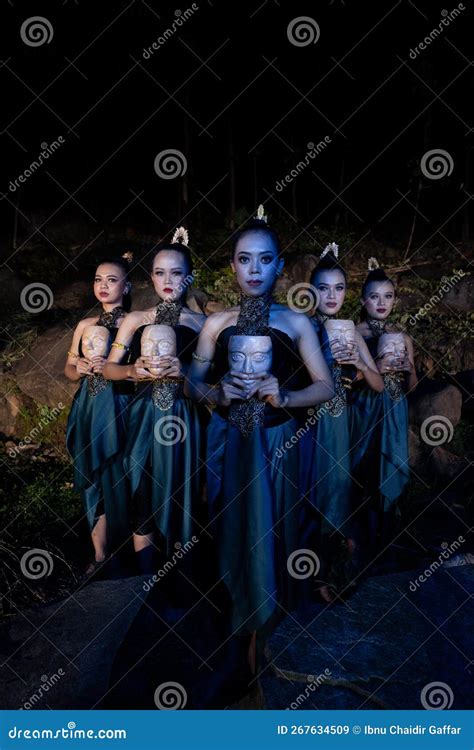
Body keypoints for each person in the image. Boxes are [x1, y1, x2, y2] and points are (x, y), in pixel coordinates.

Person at [185, 207, 334, 671]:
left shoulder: (296, 323)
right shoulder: (215, 323)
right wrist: (212, 390)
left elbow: (327, 386)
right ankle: (240, 621)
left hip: (278, 443)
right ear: (232, 265)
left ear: (279, 266)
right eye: (244, 259)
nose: (254, 270)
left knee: (275, 530)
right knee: (233, 530)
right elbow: (189, 379)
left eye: (264, 260)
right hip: (230, 442)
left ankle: (268, 631)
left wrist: (286, 397)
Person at [103, 228, 206, 574]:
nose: (167, 280)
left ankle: (180, 579)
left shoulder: (204, 324)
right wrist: (133, 370)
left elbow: (212, 385)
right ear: (151, 276)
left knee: (183, 488)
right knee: (141, 484)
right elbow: (108, 370)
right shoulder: (135, 319)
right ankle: (144, 580)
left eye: (176, 272)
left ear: (189, 277)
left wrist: (186, 374)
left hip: (185, 416)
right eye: (160, 272)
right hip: (143, 414)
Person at [300, 243, 383, 601]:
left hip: (339, 422)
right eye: (323, 287)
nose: (331, 295)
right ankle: (302, 573)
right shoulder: (300, 325)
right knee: (307, 492)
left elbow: (379, 384)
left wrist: (362, 366)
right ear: (310, 291)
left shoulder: (349, 329)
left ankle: (329, 574)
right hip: (306, 422)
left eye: (339, 288)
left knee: (336, 492)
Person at [65, 254, 133, 575]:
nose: (103, 286)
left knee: (119, 471)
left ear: (127, 285)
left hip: (119, 405)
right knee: (91, 474)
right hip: (88, 407)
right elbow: (68, 369)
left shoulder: (134, 323)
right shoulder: (84, 325)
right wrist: (76, 368)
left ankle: (127, 552)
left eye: (111, 279)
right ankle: (100, 554)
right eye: (97, 280)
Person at [352, 257, 417, 562]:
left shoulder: (402, 336)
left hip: (394, 404)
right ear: (364, 300)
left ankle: (387, 539)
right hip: (365, 406)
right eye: (375, 296)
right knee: (364, 464)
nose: (382, 302)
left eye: (388, 296)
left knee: (390, 463)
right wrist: (372, 369)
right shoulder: (354, 333)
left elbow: (412, 385)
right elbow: (346, 380)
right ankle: (357, 538)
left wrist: (408, 371)